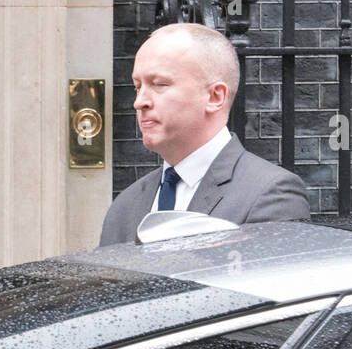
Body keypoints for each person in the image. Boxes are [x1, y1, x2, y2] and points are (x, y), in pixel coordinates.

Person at [99, 23, 309, 245]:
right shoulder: (125, 206)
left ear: (215, 97)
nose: (139, 101)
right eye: (137, 86)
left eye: (159, 84)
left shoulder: (270, 195)